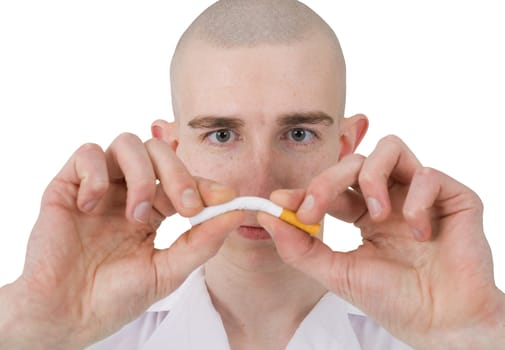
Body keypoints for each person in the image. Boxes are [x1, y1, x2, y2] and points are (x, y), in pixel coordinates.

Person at [1, 0, 504, 349]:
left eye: (299, 133)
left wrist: (480, 330)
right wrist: (32, 321)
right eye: (222, 135)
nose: (259, 184)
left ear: (346, 146)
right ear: (172, 148)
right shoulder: (71, 334)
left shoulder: (440, 333)